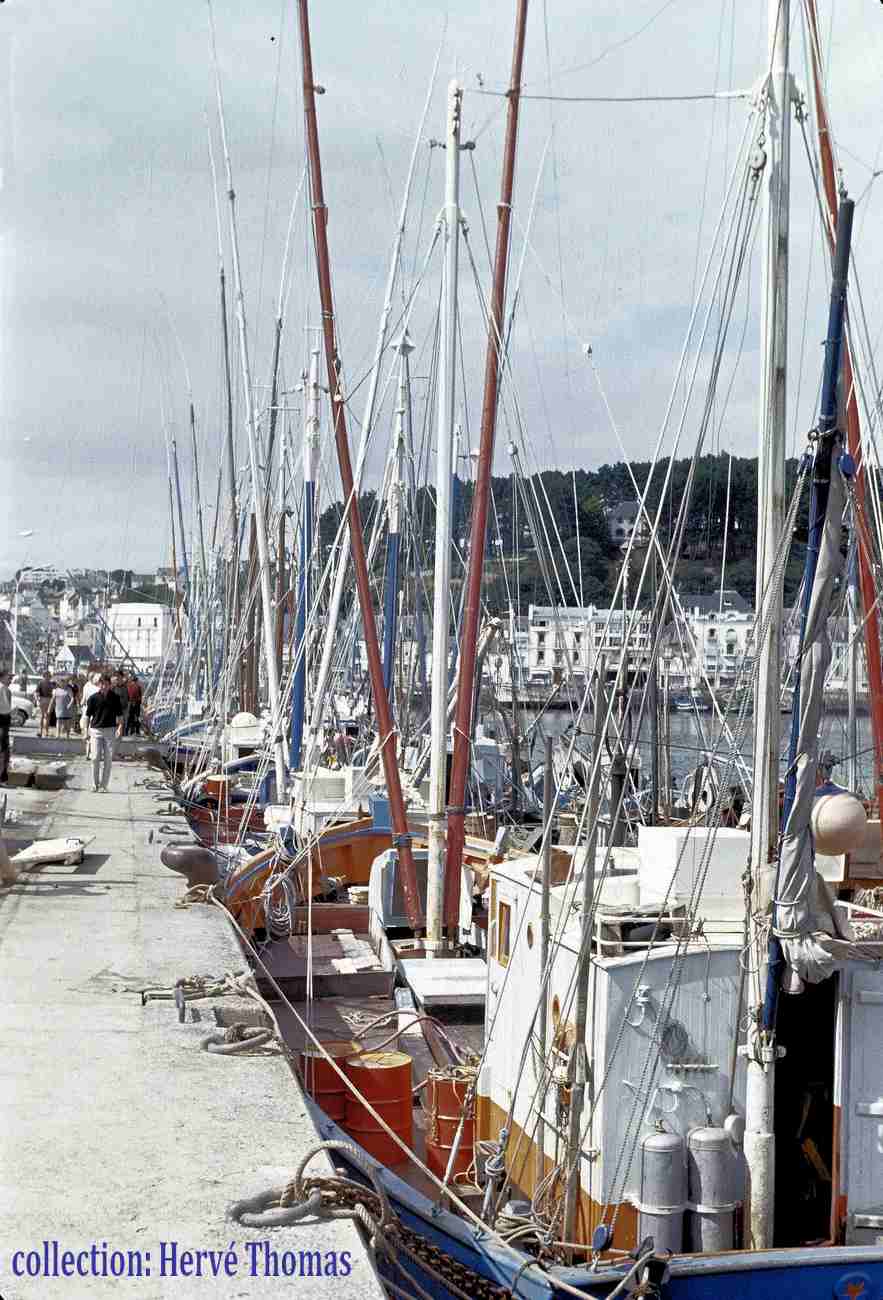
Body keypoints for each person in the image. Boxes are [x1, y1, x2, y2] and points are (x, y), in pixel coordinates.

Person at [85, 675, 124, 792]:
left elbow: (120, 715)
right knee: (95, 757)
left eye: (106, 684)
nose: (104, 686)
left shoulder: (115, 698)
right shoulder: (93, 698)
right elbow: (87, 716)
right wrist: (85, 731)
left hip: (110, 730)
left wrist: (120, 728)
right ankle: (95, 784)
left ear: (109, 685)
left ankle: (103, 785)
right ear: (99, 685)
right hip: (96, 730)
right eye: (102, 684)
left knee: (108, 759)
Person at [80, 673, 101, 756]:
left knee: (90, 731)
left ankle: (90, 752)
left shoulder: (96, 688)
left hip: (92, 711)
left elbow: (84, 699)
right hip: (89, 711)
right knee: (88, 731)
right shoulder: (88, 686)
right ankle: (89, 752)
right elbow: (84, 698)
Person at [34, 671, 54, 738]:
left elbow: (55, 691)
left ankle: (46, 731)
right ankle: (41, 731)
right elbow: (36, 692)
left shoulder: (52, 684)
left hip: (49, 700)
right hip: (43, 700)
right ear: (44, 676)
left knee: (47, 716)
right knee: (42, 716)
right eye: (47, 675)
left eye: (49, 676)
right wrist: (37, 699)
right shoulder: (41, 683)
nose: (48, 677)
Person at [0, 671, 11, 785]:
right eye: (8, 678)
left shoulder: (5, 689)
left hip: (3, 721)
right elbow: (6, 708)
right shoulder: (2, 688)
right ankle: (2, 778)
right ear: (2, 678)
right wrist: (12, 711)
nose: (10, 680)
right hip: (2, 721)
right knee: (3, 751)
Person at [112, 672, 130, 736]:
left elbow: (128, 699)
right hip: (116, 709)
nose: (118, 679)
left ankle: (122, 735)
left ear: (122, 678)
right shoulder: (114, 688)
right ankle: (116, 735)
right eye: (117, 678)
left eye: (119, 677)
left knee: (123, 723)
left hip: (124, 709)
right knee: (116, 724)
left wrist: (128, 709)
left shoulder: (125, 687)